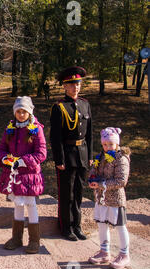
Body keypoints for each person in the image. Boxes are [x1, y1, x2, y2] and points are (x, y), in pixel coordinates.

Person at [0, 96, 47, 254]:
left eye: (23, 111)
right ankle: (16, 238)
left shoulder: (36, 129)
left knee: (31, 205)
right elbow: (2, 149)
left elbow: (41, 153)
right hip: (15, 175)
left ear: (29, 112)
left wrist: (22, 161)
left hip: (30, 175)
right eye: (18, 111)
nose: (20, 114)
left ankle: (34, 240)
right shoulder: (10, 128)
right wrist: (5, 159)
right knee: (18, 204)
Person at [50, 66, 93, 241]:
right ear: (65, 87)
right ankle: (66, 227)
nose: (76, 87)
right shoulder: (59, 107)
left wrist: (90, 156)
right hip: (67, 156)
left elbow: (90, 133)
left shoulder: (85, 104)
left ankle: (77, 225)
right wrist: (59, 159)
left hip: (82, 154)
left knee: (79, 192)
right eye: (72, 84)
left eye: (78, 84)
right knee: (66, 194)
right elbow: (56, 137)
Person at [88, 127, 131, 269]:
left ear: (117, 144)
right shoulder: (100, 157)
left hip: (116, 200)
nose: (107, 147)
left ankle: (124, 254)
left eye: (111, 144)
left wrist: (100, 184)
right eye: (105, 144)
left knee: (120, 226)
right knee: (102, 224)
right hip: (101, 198)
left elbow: (121, 181)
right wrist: (92, 177)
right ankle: (104, 251)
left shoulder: (121, 158)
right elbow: (94, 171)